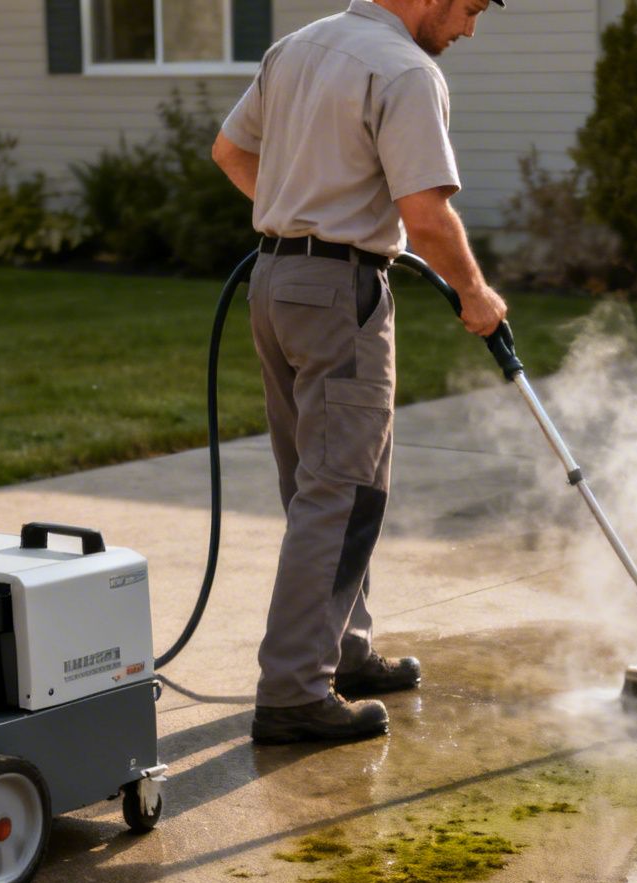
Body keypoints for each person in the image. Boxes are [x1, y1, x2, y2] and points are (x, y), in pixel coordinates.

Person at [212, 0, 509, 745]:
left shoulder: (299, 45)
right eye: (469, 8)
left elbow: (230, 152)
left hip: (274, 284)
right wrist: (477, 296)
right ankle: (292, 693)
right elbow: (429, 214)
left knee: (329, 483)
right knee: (340, 489)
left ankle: (340, 651)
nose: (470, 29)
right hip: (339, 295)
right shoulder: (405, 69)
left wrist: (298, 212)